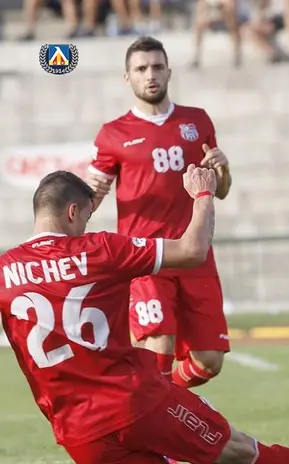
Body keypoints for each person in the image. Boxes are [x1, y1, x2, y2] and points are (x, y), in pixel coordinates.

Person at [0, 168, 289, 464]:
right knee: (240, 449)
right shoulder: (99, 248)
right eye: (86, 217)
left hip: (79, 435)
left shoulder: (4, 271)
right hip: (133, 402)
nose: (86, 226)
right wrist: (203, 194)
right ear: (73, 212)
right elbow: (192, 250)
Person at [88, 36, 232, 388]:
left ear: (169, 72)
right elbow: (94, 193)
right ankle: (161, 414)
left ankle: (162, 402)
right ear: (128, 78)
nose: (150, 75)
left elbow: (220, 190)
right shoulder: (113, 134)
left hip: (195, 253)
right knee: (158, 347)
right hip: (146, 257)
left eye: (156, 67)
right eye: (141, 69)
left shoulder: (197, 121)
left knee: (209, 361)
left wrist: (223, 170)